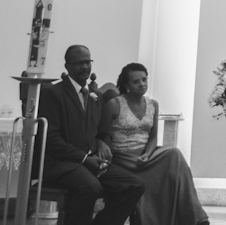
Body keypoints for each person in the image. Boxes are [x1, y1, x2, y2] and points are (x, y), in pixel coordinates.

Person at [37, 45, 145, 225]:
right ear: (67, 66)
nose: (85, 67)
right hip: (60, 163)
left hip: (90, 161)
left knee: (134, 185)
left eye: (88, 62)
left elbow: (101, 130)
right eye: (79, 63)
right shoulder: (53, 93)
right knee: (91, 187)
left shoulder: (95, 96)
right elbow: (51, 139)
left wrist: (102, 142)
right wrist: (84, 158)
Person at [102, 62, 210, 225]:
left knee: (174, 154)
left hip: (146, 155)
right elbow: (102, 135)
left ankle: (196, 217)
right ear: (126, 85)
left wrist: (147, 154)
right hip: (122, 158)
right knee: (165, 167)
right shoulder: (114, 104)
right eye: (136, 81)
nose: (142, 84)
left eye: (144, 79)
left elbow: (153, 137)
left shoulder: (153, 104)